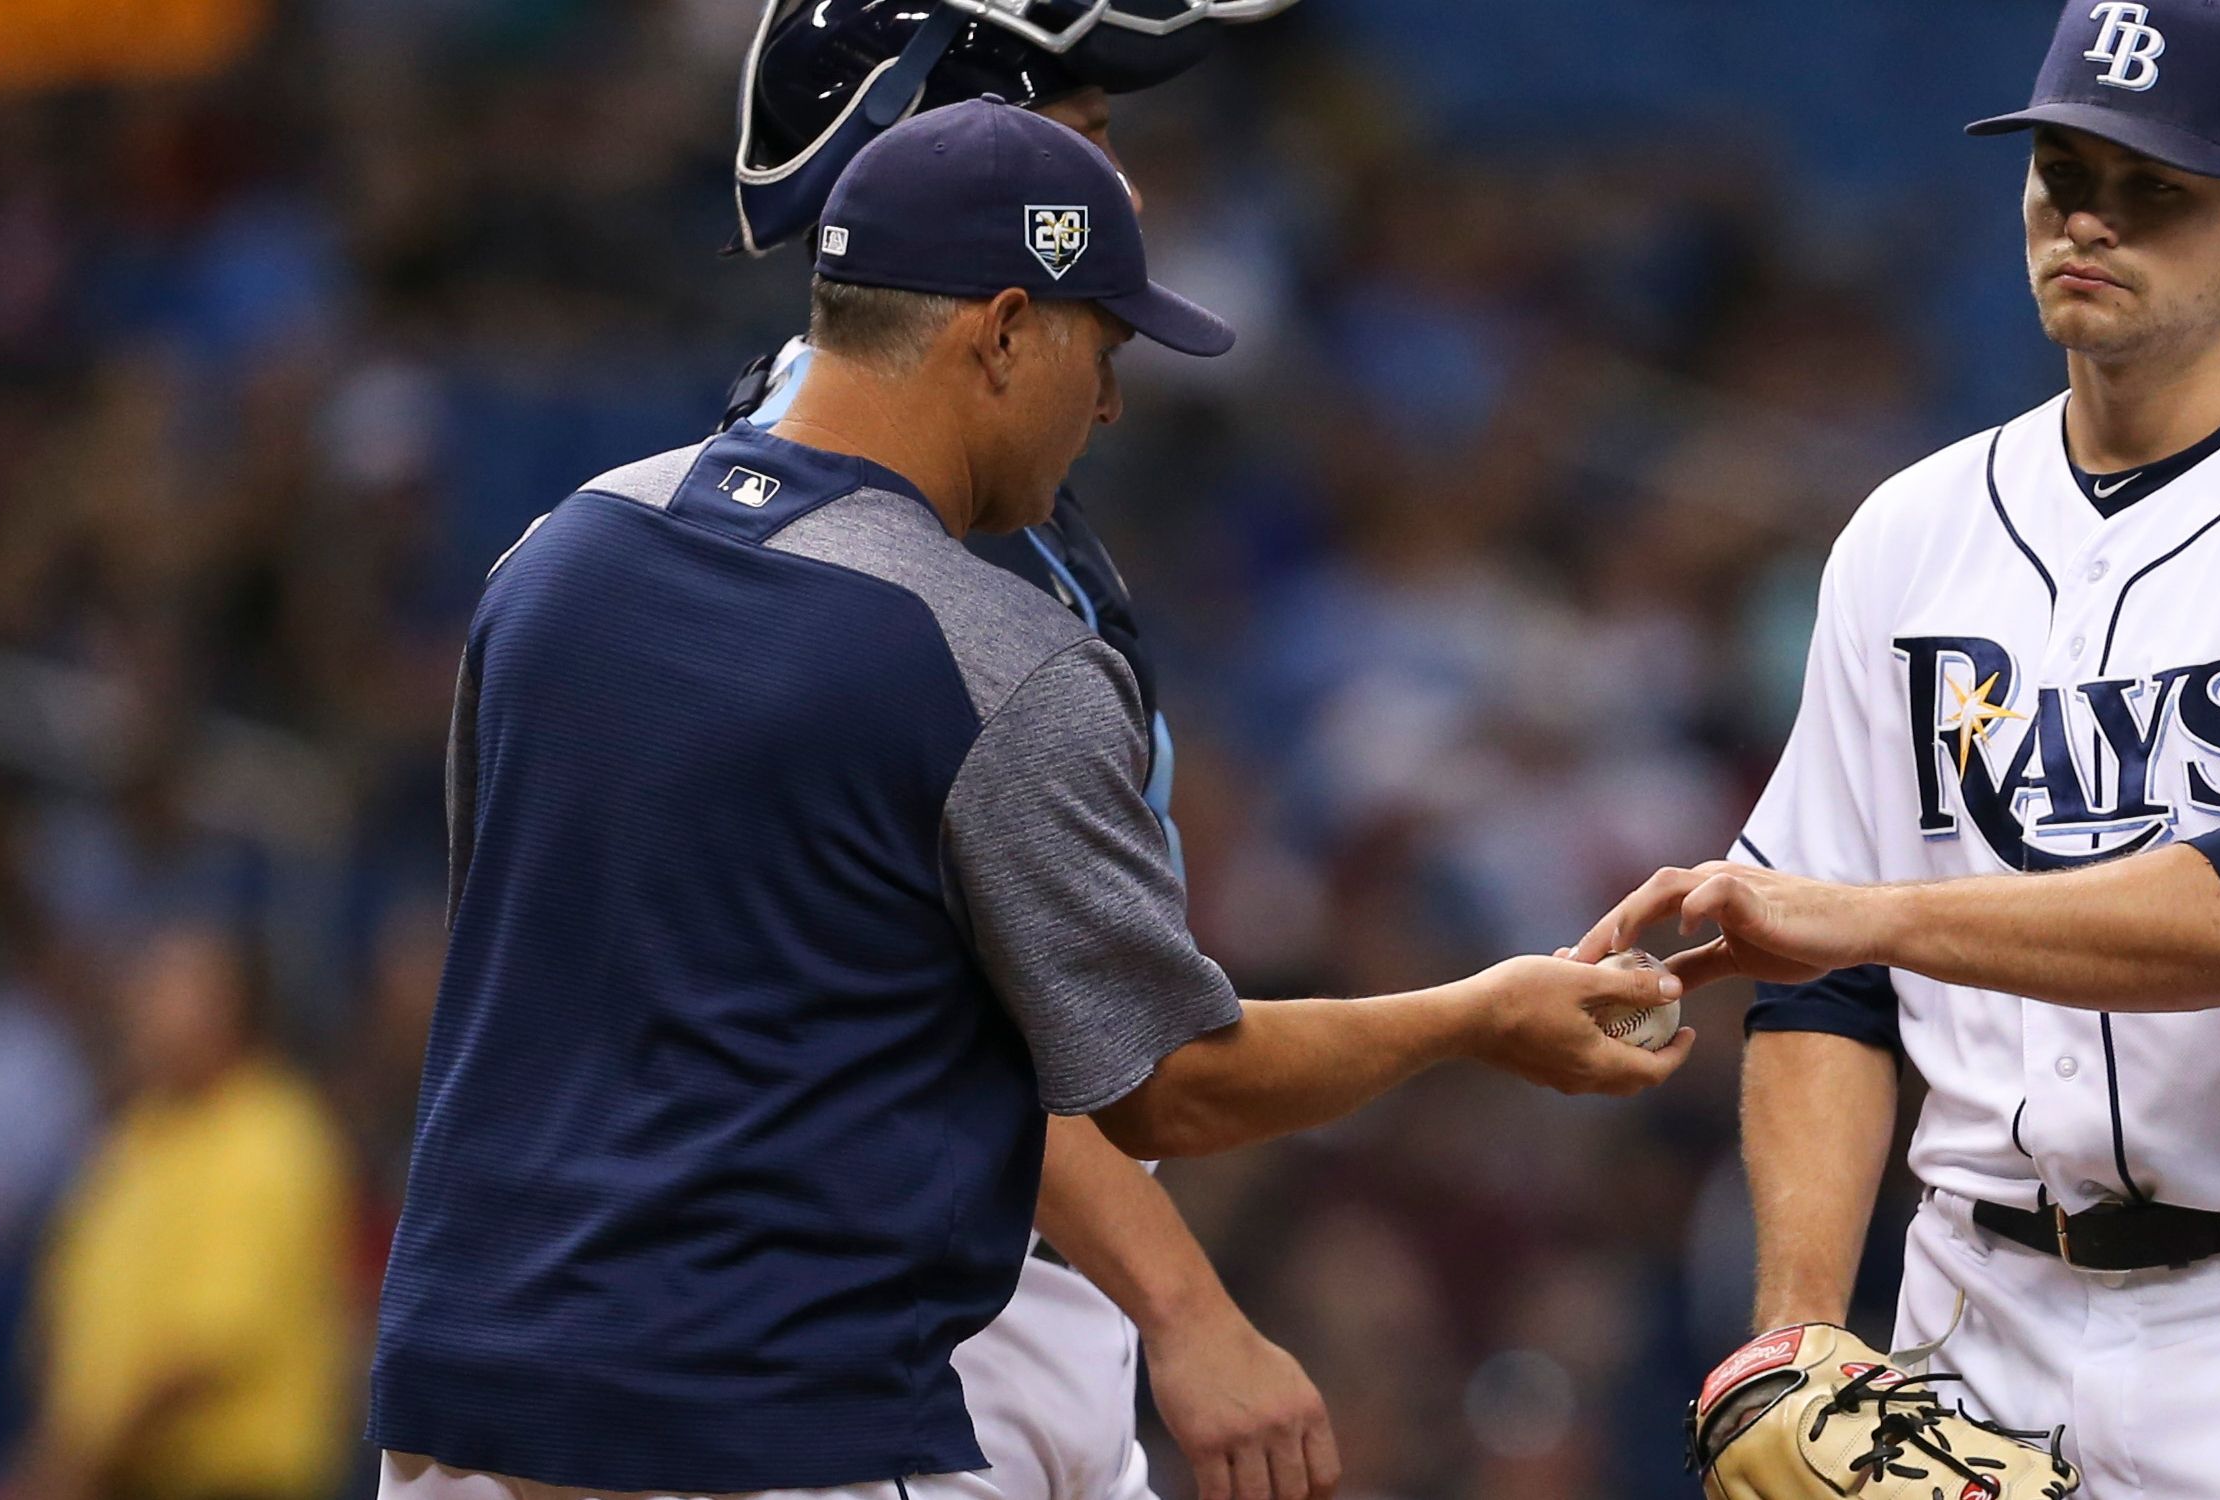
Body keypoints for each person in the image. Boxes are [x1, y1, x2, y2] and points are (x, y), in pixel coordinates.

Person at [371, 98, 1691, 1500]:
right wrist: (1476, 1014)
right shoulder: (988, 654)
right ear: (1001, 332)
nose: (1110, 402)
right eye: (1099, 345)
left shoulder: (553, 557)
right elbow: (1170, 1085)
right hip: (755, 1423)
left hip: (468, 1412)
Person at [1578, 2, 2220, 1496]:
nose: (2087, 217)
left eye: (2152, 187)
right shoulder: (1908, 531)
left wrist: (1872, 914)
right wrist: (1795, 1337)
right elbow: (1819, 979)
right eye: (2061, 171)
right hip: (1973, 1314)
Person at [726, 7, 1339, 1499]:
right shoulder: (864, 533)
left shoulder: (978, 489)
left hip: (1025, 1272)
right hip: (909, 1289)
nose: (1121, 193)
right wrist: (1187, 1309)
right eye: (1089, 136)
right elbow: (943, 1007)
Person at [4, 923, 353, 1500]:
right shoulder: (138, 1134)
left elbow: (212, 1344)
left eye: (166, 989)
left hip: (233, 1484)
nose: (140, 1006)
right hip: (121, 1475)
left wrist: (78, 1462)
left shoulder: (272, 1132)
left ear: (231, 1007)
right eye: (141, 988)